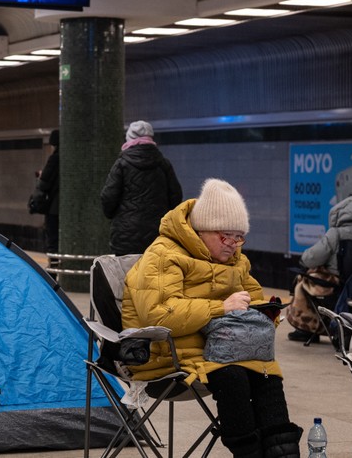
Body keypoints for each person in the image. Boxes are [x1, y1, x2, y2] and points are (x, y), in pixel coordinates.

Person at [122, 179, 302, 457]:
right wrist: (222, 307)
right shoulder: (163, 254)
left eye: (239, 236)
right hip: (165, 356)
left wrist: (267, 313)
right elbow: (158, 314)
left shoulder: (235, 261)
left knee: (267, 373)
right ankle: (249, 453)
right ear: (202, 230)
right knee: (233, 376)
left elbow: (254, 295)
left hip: (221, 348)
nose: (232, 244)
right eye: (225, 236)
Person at [287, 195, 352, 343]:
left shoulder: (336, 233)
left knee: (303, 280)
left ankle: (307, 328)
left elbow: (311, 258)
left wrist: (304, 262)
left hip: (335, 283)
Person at [100, 120, 183, 256]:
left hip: (126, 235)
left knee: (126, 274)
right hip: (157, 234)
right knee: (155, 273)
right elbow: (176, 196)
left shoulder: (121, 164)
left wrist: (114, 216)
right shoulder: (163, 164)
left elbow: (108, 197)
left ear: (129, 139)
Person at [35, 130, 60, 264]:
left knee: (53, 242)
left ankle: (53, 272)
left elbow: (44, 183)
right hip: (62, 209)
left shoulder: (55, 158)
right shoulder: (71, 158)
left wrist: (40, 175)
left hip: (54, 208)